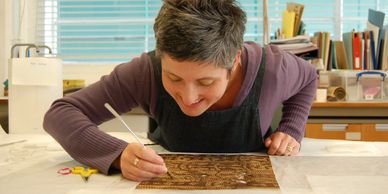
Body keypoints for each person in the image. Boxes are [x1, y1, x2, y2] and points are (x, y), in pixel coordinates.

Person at [44, 0, 317, 182]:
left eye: (206, 83)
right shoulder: (145, 71)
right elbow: (61, 113)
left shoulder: (273, 69)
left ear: (234, 61)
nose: (188, 98)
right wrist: (115, 154)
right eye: (173, 77)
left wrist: (291, 128)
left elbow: (308, 79)